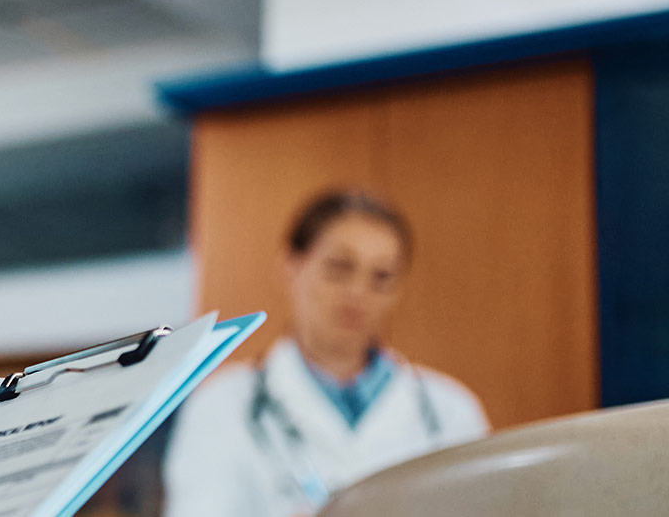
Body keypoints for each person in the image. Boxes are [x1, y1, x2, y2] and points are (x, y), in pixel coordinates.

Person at [163, 190, 489, 517]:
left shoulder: (450, 412)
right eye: (339, 268)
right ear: (292, 265)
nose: (358, 293)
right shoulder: (224, 405)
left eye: (381, 277)